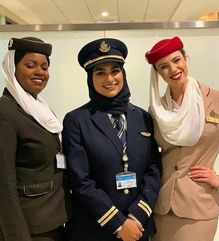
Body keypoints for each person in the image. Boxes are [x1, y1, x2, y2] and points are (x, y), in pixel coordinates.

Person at [62, 38, 162, 241]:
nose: (109, 78)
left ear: (123, 74)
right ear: (91, 78)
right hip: (95, 229)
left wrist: (137, 216)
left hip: (137, 228)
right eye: (100, 73)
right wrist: (118, 223)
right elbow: (81, 180)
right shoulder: (77, 120)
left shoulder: (142, 117)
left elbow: (153, 169)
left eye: (114, 71)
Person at [145, 36, 219, 241]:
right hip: (160, 206)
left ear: (186, 58)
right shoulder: (157, 110)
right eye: (164, 66)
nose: (173, 69)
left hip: (198, 206)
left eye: (177, 60)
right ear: (158, 73)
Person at [0, 37, 70, 241]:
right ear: (13, 67)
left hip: (53, 218)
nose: (40, 72)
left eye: (44, 67)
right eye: (30, 65)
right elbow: (3, 183)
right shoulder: (5, 111)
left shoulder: (39, 108)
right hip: (30, 227)